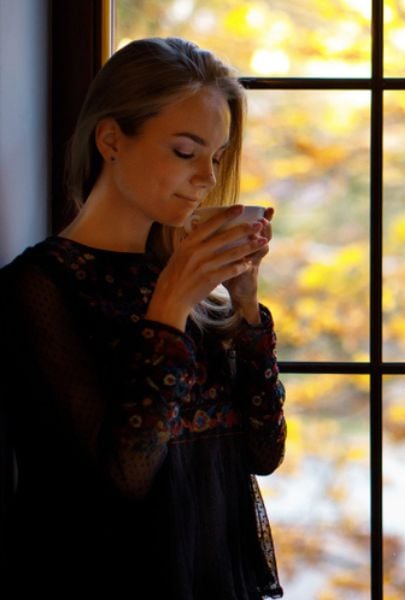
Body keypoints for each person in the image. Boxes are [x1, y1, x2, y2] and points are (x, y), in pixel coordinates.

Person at [0, 37, 286, 599]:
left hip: (217, 577)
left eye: (218, 156)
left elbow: (264, 453)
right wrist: (169, 305)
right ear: (111, 140)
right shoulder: (42, 285)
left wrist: (245, 304)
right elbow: (124, 477)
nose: (207, 176)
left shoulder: (194, 287)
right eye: (185, 151)